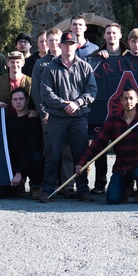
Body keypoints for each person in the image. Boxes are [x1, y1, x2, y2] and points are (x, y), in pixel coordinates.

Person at [39, 31, 97, 202]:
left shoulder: (85, 67)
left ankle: (83, 189)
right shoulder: (50, 68)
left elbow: (92, 91)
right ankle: (47, 190)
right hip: (57, 117)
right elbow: (46, 93)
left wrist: (77, 103)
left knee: (80, 155)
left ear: (76, 46)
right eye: (65, 44)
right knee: (53, 154)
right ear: (60, 46)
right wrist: (64, 104)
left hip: (79, 117)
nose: (68, 46)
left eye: (72, 44)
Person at [76, 86, 138, 204]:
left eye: (131, 98)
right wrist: (82, 163)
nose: (128, 102)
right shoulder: (113, 121)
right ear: (121, 101)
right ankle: (125, 188)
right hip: (122, 167)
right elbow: (97, 145)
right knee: (112, 200)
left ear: (137, 100)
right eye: (125, 99)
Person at [4, 89, 44, 199]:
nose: (18, 102)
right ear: (11, 102)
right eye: (15, 99)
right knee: (1, 194)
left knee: (37, 157)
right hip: (14, 161)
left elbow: (30, 148)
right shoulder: (8, 120)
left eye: (21, 99)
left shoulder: (33, 119)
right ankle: (19, 186)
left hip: (30, 160)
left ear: (27, 101)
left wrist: (19, 173)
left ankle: (35, 186)